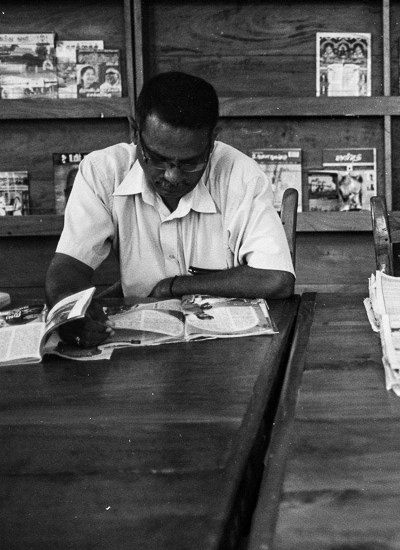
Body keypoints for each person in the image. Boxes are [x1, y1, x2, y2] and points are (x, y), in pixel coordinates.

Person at [46, 72, 295, 348]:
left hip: (228, 348)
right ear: (134, 132)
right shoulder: (102, 172)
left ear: (213, 139)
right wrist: (68, 309)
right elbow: (68, 267)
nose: (173, 177)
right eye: (157, 159)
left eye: (191, 163)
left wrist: (174, 286)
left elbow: (276, 278)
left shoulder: (241, 175)